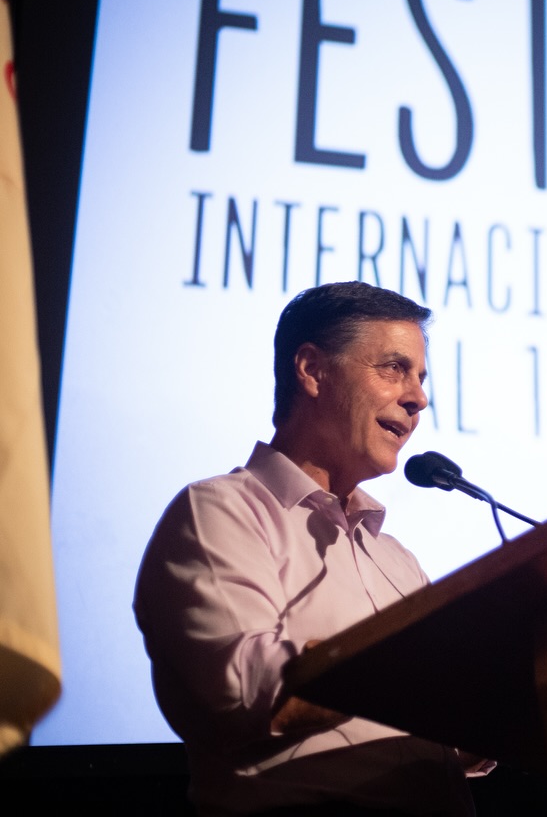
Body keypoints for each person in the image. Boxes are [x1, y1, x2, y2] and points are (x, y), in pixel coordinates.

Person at [135, 282, 487, 816]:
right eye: (394, 369)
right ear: (312, 370)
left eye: (420, 378)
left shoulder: (397, 561)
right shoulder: (219, 512)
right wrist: (401, 664)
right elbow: (240, 690)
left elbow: (453, 734)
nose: (418, 398)